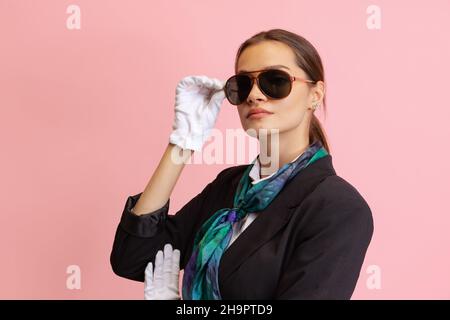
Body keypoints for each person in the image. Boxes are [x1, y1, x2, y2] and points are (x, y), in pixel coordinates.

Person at [110, 28, 374, 300]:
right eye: (244, 84)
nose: (254, 95)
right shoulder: (230, 186)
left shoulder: (338, 209)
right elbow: (133, 258)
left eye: (276, 80)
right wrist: (181, 144)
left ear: (315, 95)